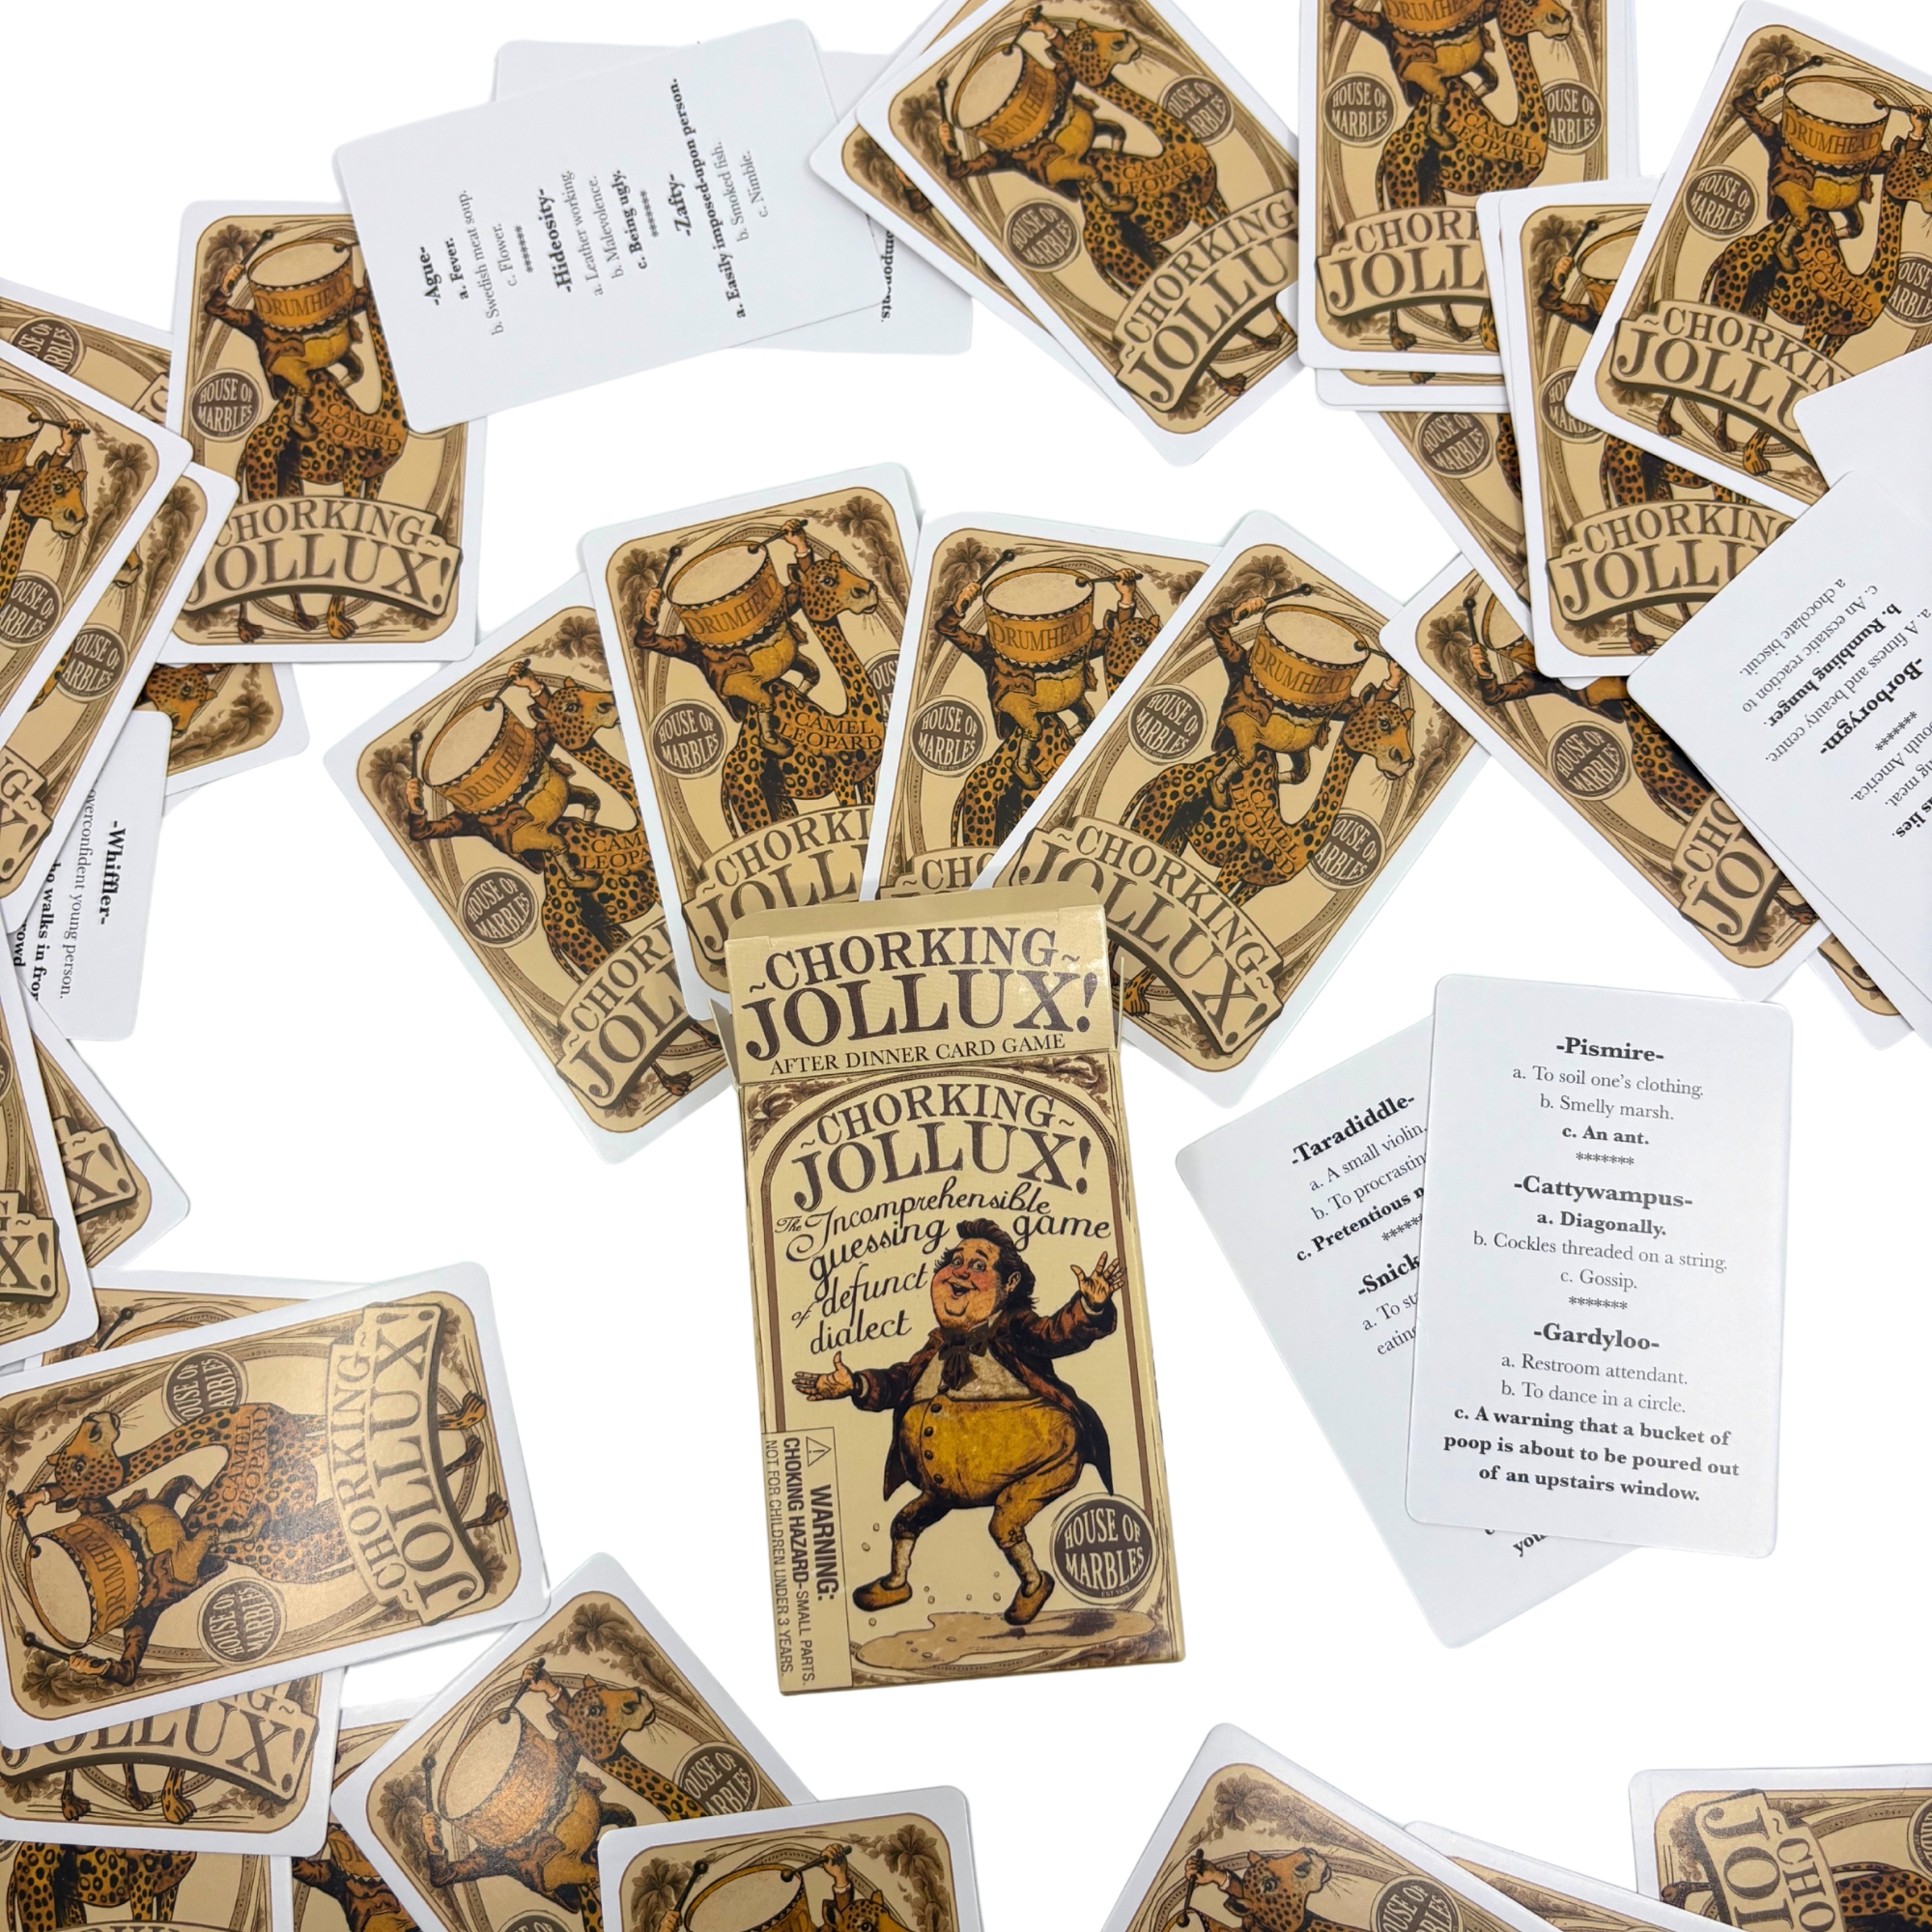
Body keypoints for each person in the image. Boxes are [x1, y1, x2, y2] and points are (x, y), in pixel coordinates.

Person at [793, 1217, 1122, 1627]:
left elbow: (1055, 1333)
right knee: (906, 1521)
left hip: (1043, 1458)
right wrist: (854, 1384)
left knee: (1005, 1524)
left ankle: (1034, 1582)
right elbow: (898, 1381)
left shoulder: (1013, 1328)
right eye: (954, 1261)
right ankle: (897, 1582)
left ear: (1010, 1283)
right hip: (955, 1477)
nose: (961, 1271)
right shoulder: (938, 1344)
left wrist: (1090, 1307)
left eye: (979, 1265)